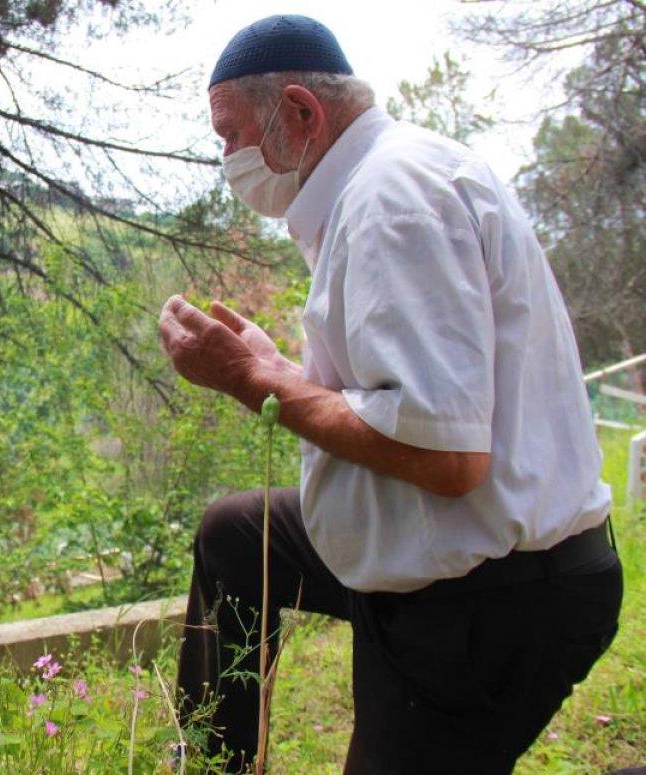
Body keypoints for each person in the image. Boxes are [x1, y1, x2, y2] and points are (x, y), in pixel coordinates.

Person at [157, 14, 623, 774]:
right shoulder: (383, 183)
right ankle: (215, 760)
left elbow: (447, 456)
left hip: (493, 596)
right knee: (238, 534)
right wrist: (287, 372)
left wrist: (254, 381)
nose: (227, 160)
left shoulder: (392, 202)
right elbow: (408, 404)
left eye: (231, 135)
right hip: (455, 540)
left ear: (302, 113)